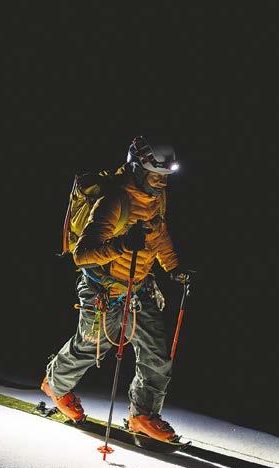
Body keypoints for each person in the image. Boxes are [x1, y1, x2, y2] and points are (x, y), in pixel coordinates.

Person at [42, 135, 190, 442]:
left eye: (165, 176)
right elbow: (82, 255)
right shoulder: (114, 201)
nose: (162, 182)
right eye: (156, 175)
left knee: (156, 353)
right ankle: (55, 386)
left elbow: (159, 233)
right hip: (103, 291)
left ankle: (143, 415)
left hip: (140, 287)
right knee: (91, 346)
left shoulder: (156, 198)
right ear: (138, 169)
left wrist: (173, 267)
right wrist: (121, 245)